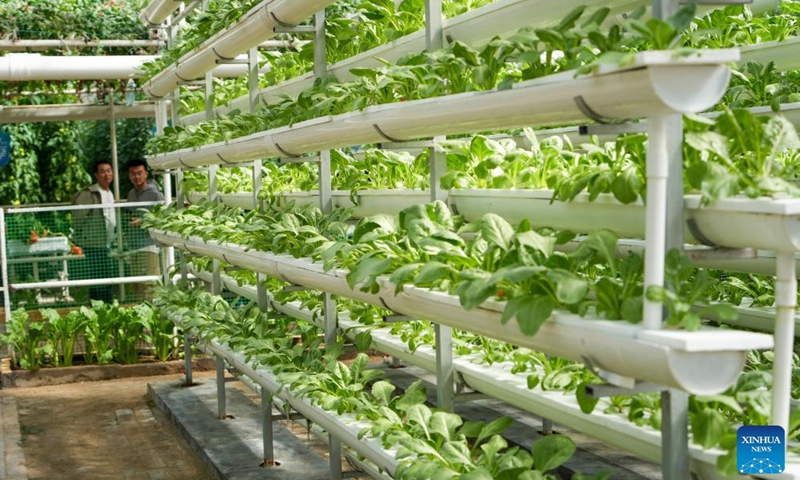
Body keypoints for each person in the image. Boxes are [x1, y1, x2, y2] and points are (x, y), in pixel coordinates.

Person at [72, 160, 116, 303]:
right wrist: (81, 236)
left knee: (103, 275)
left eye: (109, 171)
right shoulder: (90, 193)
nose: (106, 174)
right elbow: (78, 217)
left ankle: (101, 306)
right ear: (96, 175)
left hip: (107, 242)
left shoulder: (110, 193)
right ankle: (100, 305)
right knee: (99, 276)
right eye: (102, 171)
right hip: (93, 243)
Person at [125, 159, 164, 301]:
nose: (136, 177)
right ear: (129, 175)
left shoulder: (155, 194)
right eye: (133, 173)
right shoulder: (131, 194)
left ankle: (153, 314)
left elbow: (164, 218)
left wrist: (143, 221)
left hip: (149, 246)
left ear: (146, 174)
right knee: (137, 287)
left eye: (139, 173)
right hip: (133, 246)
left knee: (150, 286)